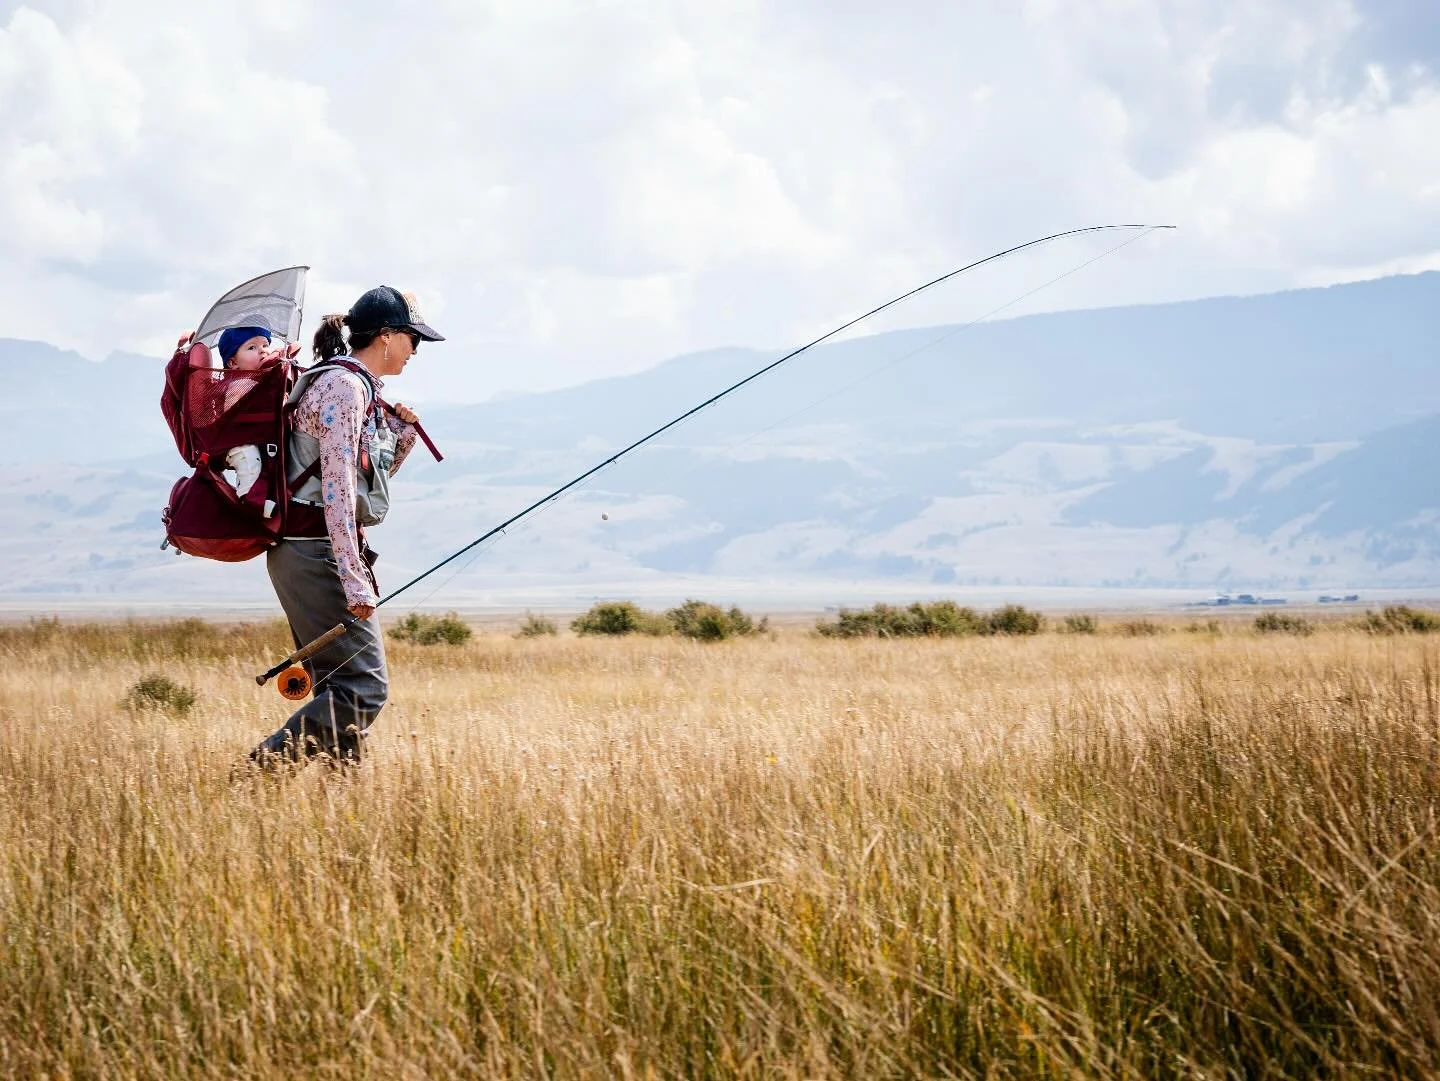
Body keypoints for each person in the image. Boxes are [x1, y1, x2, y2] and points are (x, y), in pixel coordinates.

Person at [248, 286, 443, 767]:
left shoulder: (352, 387)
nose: (416, 350)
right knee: (366, 688)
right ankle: (259, 771)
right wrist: (355, 580)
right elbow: (337, 492)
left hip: (309, 552)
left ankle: (341, 806)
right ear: (387, 336)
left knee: (341, 687)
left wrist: (400, 435)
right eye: (412, 339)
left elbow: (359, 486)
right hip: (318, 554)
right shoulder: (344, 388)